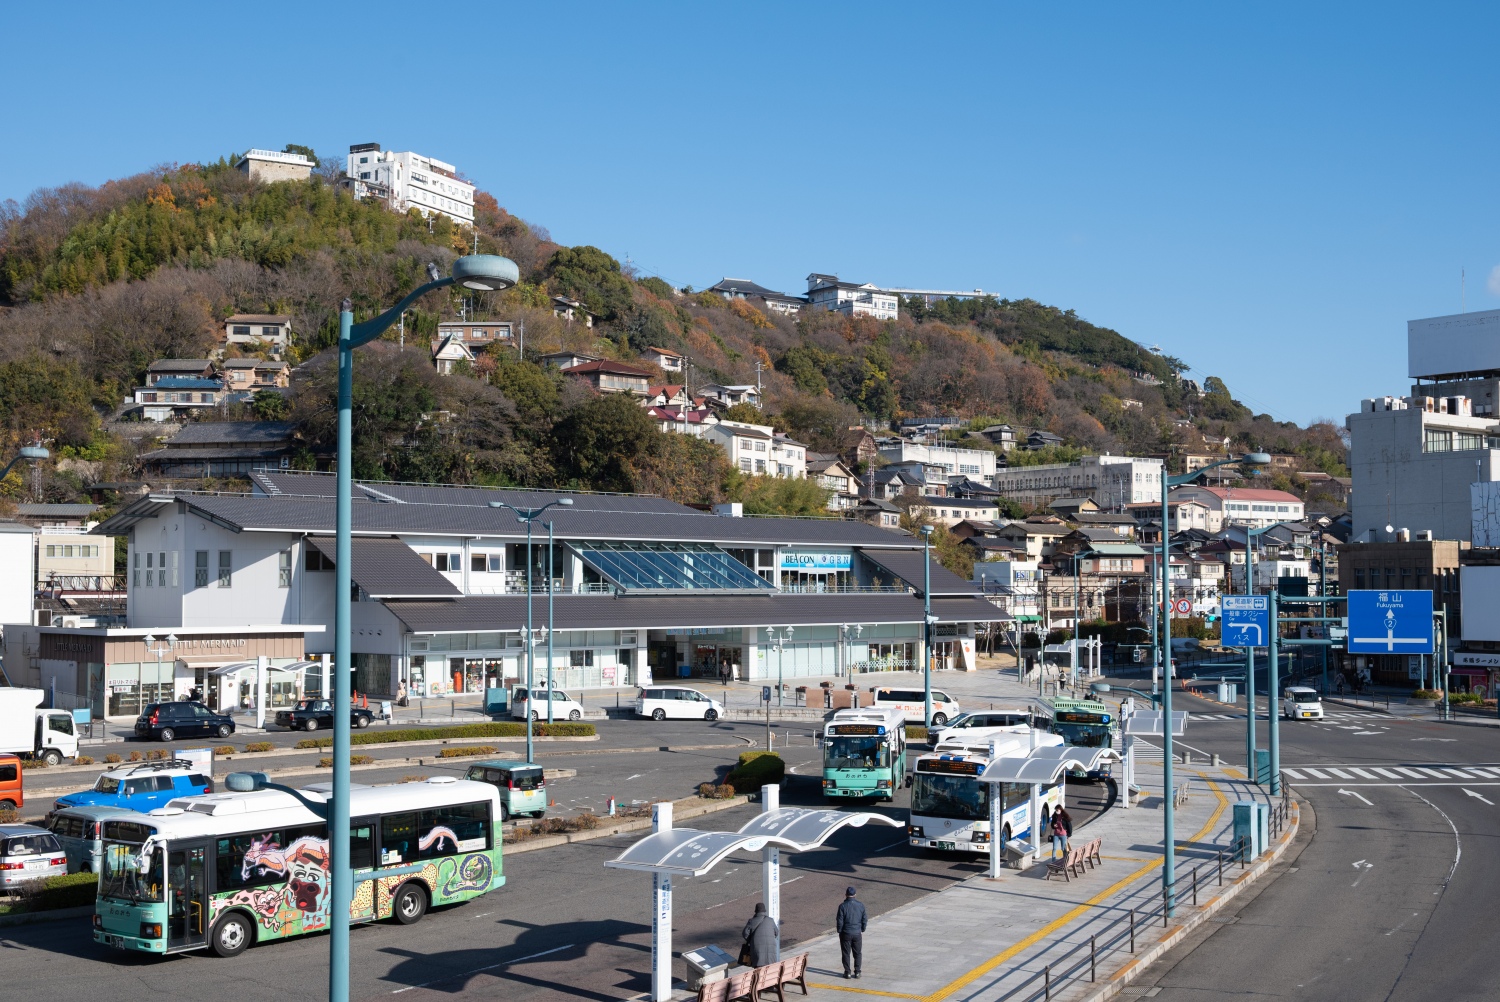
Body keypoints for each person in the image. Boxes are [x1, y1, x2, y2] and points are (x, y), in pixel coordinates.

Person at [836, 885, 867, 979]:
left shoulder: (842, 906)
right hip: (857, 933)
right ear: (855, 894)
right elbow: (864, 919)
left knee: (846, 953)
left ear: (846, 895)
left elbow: (840, 921)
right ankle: (857, 972)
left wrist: (840, 931)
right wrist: (862, 929)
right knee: (857, 953)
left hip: (846, 933)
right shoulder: (861, 905)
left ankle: (847, 972)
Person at [741, 902, 778, 968]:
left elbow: (745, 934)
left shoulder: (752, 921)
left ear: (756, 911)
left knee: (758, 971)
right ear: (764, 911)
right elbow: (776, 933)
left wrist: (751, 940)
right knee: (770, 969)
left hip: (757, 952)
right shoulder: (771, 920)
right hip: (770, 953)